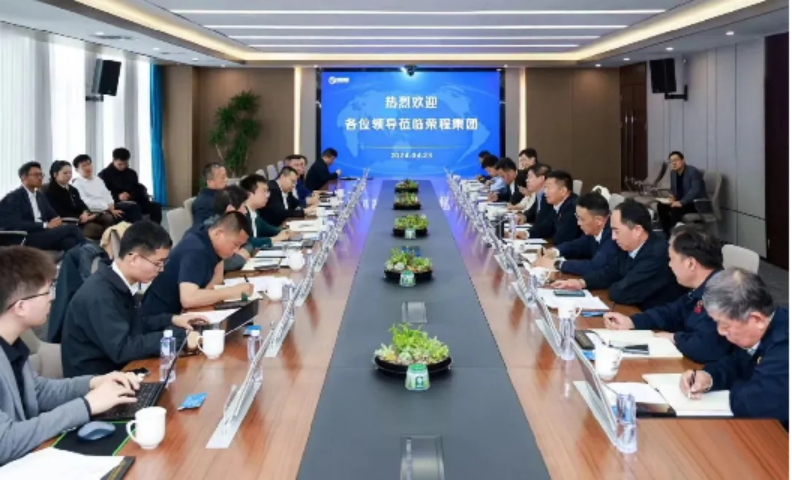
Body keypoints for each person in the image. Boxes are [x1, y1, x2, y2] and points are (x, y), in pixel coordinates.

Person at [0, 246, 142, 465]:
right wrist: (86, 406)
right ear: (20, 307)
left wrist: (95, 382)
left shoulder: (13, 344)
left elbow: (38, 391)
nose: (51, 298)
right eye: (47, 291)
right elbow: (5, 442)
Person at [61, 222, 206, 377]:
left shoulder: (117, 281)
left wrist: (172, 319)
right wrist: (180, 338)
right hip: (97, 380)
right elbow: (122, 349)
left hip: (119, 371)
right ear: (135, 259)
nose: (162, 269)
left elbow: (134, 324)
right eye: (158, 263)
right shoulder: (100, 295)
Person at [603, 225, 732, 364]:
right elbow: (672, 313)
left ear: (690, 263)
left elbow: (705, 347)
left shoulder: (723, 294)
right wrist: (632, 321)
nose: (669, 265)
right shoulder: (701, 286)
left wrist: (675, 338)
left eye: (671, 259)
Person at [679, 268, 788, 428]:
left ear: (757, 319)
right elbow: (737, 363)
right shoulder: (762, 328)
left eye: (724, 325)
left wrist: (738, 385)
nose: (720, 331)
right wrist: (708, 377)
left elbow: (755, 406)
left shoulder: (785, 346)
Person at [552, 199, 686, 310]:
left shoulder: (656, 255)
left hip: (656, 322)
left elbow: (621, 293)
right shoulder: (628, 247)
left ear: (637, 230)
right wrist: (581, 283)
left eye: (617, 231)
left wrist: (615, 283)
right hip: (634, 311)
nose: (613, 237)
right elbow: (609, 272)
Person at [138, 212, 255, 316]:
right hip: (160, 319)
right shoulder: (196, 251)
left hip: (182, 314)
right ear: (218, 233)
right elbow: (188, 299)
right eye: (235, 244)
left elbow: (217, 280)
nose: (237, 251)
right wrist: (231, 292)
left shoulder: (210, 238)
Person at [0, 162, 85, 252]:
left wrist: (56, 221)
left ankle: (82, 255)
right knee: (72, 228)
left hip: (42, 234)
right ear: (24, 178)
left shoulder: (39, 196)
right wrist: (44, 225)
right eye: (36, 175)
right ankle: (89, 248)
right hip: (26, 237)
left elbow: (53, 215)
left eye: (41, 175)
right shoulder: (13, 198)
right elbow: (14, 224)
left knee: (69, 242)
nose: (40, 178)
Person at [533, 191, 617, 276]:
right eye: (577, 218)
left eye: (582, 219)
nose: (578, 223)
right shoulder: (595, 230)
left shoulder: (613, 236)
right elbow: (579, 244)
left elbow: (594, 267)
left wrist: (557, 264)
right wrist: (555, 251)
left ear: (598, 220)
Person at [187, 185, 251, 272]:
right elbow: (215, 264)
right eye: (243, 206)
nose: (246, 211)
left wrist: (243, 251)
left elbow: (248, 244)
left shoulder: (230, 227)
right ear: (231, 209)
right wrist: (241, 258)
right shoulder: (210, 230)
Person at [44, 161, 114, 241]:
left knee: (108, 218)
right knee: (95, 229)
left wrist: (85, 212)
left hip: (80, 218)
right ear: (55, 174)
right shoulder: (50, 191)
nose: (69, 175)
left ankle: (108, 243)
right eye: (65, 173)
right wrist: (81, 218)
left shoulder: (72, 189)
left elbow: (81, 204)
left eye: (70, 173)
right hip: (69, 222)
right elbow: (58, 212)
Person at [99, 147, 162, 224]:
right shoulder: (104, 174)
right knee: (133, 208)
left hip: (132, 199)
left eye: (125, 164)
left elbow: (136, 188)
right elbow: (103, 193)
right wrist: (118, 196)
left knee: (155, 206)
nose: (123, 167)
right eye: (120, 164)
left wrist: (130, 195)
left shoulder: (131, 173)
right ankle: (138, 230)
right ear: (114, 160)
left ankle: (155, 229)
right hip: (115, 203)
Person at [71, 154, 142, 223]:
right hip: (95, 210)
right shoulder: (77, 184)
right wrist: (108, 208)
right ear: (77, 170)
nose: (87, 167)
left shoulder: (98, 180)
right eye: (83, 166)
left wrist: (111, 204)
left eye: (89, 164)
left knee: (132, 207)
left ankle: (139, 229)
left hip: (107, 207)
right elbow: (85, 202)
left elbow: (107, 194)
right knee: (115, 217)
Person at [657, 151, 707, 236]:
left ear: (683, 161)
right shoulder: (673, 173)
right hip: (681, 201)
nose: (673, 163)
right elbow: (673, 189)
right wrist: (671, 196)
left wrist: (681, 202)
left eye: (676, 160)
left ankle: (675, 236)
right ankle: (667, 233)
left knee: (676, 209)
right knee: (661, 206)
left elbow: (695, 190)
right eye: (671, 161)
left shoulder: (693, 172)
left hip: (695, 203)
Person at [526, 170, 582, 245]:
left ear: (563, 191)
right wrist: (526, 233)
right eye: (545, 187)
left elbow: (561, 238)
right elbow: (546, 228)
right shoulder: (558, 205)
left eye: (548, 188)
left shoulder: (572, 207)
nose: (545, 191)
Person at [240, 174, 292, 248]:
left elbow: (266, 228)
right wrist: (274, 239)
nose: (267, 195)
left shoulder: (255, 212)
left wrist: (283, 231)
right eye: (264, 191)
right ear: (250, 194)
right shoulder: (241, 215)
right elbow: (246, 242)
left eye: (267, 191)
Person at [192, 162, 228, 227]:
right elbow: (201, 227)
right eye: (223, 177)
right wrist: (228, 215)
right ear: (210, 182)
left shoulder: (223, 194)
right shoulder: (203, 202)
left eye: (226, 176)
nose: (226, 179)